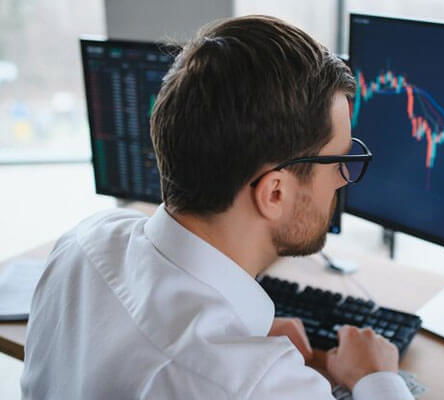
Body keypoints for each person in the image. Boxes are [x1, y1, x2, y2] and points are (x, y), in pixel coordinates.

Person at [21, 15, 414, 400]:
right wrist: (376, 379)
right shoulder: (257, 383)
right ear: (274, 192)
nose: (344, 179)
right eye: (339, 162)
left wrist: (242, 333)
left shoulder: (83, 243)